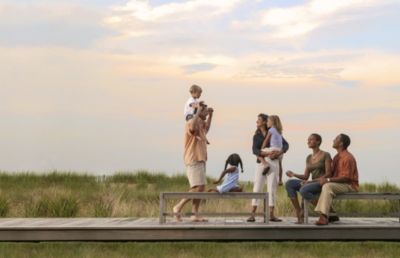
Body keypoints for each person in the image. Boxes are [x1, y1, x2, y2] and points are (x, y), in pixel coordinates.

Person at [173, 102, 214, 222]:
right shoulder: (192, 122)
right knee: (197, 187)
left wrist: (211, 116)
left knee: (201, 187)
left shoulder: (200, 123)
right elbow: (192, 128)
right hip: (193, 158)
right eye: (205, 111)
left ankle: (194, 214)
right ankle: (178, 207)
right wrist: (197, 111)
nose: (206, 113)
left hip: (200, 157)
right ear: (199, 111)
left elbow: (206, 130)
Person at [247, 113, 289, 222]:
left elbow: (286, 145)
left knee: (272, 189)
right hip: (262, 162)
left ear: (265, 122)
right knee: (257, 187)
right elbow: (254, 150)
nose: (257, 122)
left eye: (259, 120)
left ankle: (271, 215)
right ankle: (252, 214)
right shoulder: (256, 136)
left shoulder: (274, 132)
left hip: (274, 162)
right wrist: (266, 154)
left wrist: (279, 153)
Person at [285, 133, 332, 224]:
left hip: (321, 183)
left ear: (318, 142)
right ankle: (299, 211)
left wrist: (310, 182)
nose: (308, 141)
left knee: (304, 188)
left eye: (311, 139)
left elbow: (328, 173)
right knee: (289, 183)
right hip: (311, 183)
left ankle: (324, 212)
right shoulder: (309, 157)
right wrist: (293, 174)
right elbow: (305, 176)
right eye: (308, 139)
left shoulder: (325, 155)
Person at [314, 133, 359, 226]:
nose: (333, 140)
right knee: (320, 186)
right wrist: (312, 181)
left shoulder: (348, 157)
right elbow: (330, 174)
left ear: (341, 143)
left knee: (327, 186)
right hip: (339, 184)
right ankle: (330, 215)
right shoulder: (336, 157)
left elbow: (347, 178)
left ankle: (324, 216)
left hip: (349, 185)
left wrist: (328, 180)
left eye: (336, 139)